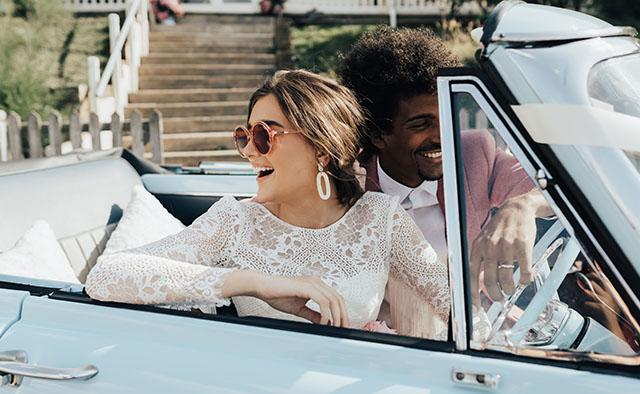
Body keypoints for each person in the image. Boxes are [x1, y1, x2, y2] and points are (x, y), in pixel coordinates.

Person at [85, 70, 450, 340]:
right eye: (244, 136)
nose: (248, 152)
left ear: (322, 148)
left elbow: (450, 304)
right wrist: (256, 284)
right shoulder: (235, 221)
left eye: (264, 136)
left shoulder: (380, 217)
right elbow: (106, 277)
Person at [340, 26, 552, 313]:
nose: (442, 136)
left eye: (445, 117)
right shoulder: (346, 182)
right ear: (378, 134)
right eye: (421, 124)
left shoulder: (474, 152)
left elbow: (553, 187)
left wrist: (523, 205)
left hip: (476, 323)